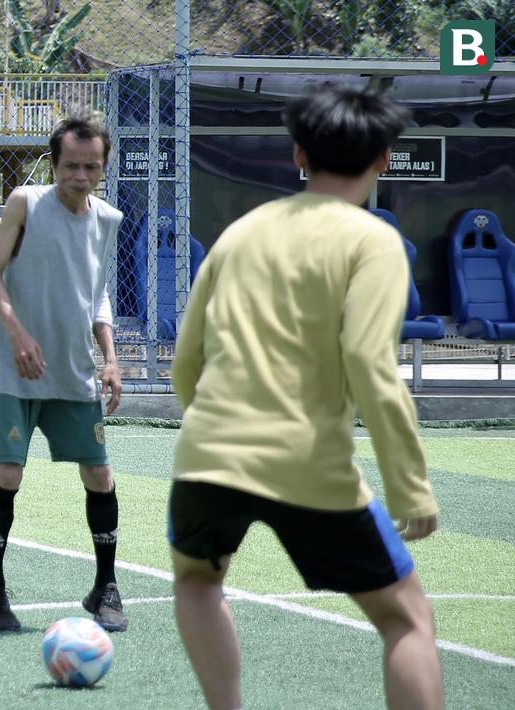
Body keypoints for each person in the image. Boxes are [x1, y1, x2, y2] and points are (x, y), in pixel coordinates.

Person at [168, 85, 442, 710]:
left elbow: (189, 359)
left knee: (197, 580)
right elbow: (371, 362)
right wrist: (410, 487)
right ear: (384, 160)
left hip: (207, 452)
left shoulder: (240, 233)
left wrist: (213, 428)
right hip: (308, 465)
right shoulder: (373, 241)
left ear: (298, 153)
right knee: (405, 620)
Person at [0, 116, 126, 633]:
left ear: (103, 167)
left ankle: (106, 586)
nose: (81, 176)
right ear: (53, 163)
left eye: (91, 167)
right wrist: (17, 334)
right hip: (15, 371)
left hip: (74, 373)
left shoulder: (108, 218)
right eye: (70, 166)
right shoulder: (25, 202)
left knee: (99, 475)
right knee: (9, 473)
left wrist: (109, 358)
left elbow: (97, 293)